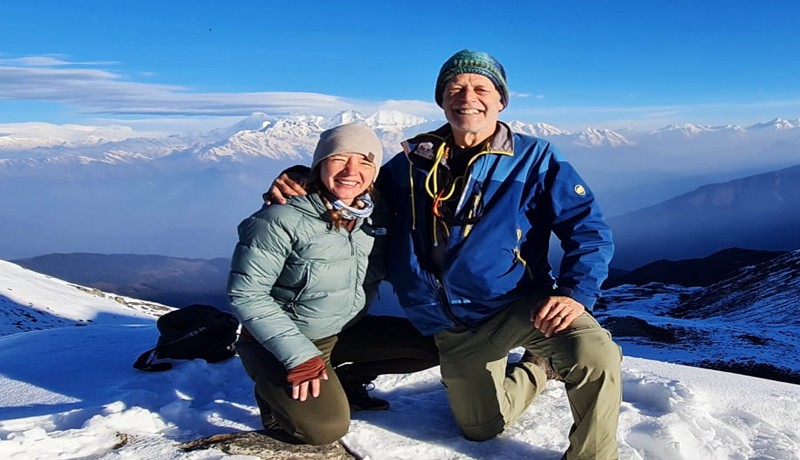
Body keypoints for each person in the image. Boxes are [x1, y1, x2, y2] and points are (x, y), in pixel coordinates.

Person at [268, 50, 622, 459]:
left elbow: (588, 228)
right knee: (480, 429)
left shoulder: (535, 160)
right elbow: (352, 187)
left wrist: (576, 293)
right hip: (452, 326)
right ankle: (537, 368)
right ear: (441, 100)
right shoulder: (410, 165)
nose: (466, 96)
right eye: (454, 88)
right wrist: (301, 176)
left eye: (480, 87)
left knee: (595, 353)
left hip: (520, 307)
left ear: (501, 100)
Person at [228, 123, 437, 446]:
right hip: (278, 341)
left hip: (342, 330)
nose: (352, 171)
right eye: (339, 158)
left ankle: (347, 383)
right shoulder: (279, 218)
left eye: (365, 162)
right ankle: (274, 398)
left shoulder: (374, 215)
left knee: (435, 345)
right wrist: (298, 356)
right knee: (325, 429)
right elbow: (246, 294)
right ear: (320, 164)